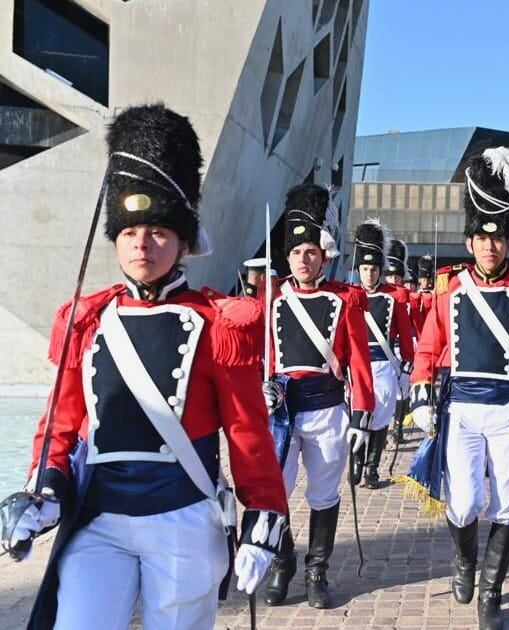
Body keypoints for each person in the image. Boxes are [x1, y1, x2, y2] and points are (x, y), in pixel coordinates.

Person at [11, 104, 288, 630]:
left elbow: (248, 433)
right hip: (99, 521)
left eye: (160, 230)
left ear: (184, 241)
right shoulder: (85, 318)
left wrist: (263, 519)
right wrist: (43, 494)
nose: (143, 243)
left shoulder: (218, 323)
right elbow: (60, 426)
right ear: (115, 236)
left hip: (183, 521)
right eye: (131, 230)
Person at [403, 147, 509, 630]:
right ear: (470, 240)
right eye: (481, 238)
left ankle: (491, 591)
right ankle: (464, 562)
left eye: (499, 239)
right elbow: (430, 344)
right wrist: (419, 392)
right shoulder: (448, 286)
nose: (490, 247)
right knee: (464, 502)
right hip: (462, 409)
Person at [261, 183, 375, 608]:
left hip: (326, 408)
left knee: (323, 493)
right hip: (281, 410)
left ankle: (317, 570)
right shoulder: (271, 298)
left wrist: (362, 413)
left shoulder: (345, 300)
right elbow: (262, 354)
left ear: (324, 254)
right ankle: (284, 560)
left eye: (311, 251)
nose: (303, 260)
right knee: (274, 491)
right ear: (286, 257)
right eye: (295, 253)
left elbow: (360, 362)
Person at [352, 221, 415, 489]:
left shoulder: (394, 298)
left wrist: (407, 368)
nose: (369, 274)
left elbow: (404, 334)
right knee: (358, 415)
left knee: (380, 420)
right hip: (357, 367)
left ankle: (371, 467)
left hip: (384, 366)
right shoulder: (350, 297)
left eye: (373, 269)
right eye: (364, 269)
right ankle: (356, 460)